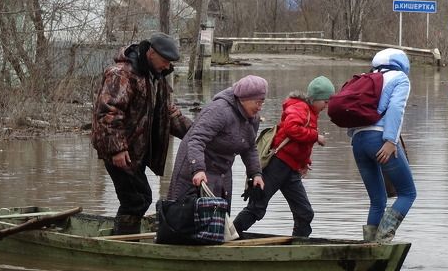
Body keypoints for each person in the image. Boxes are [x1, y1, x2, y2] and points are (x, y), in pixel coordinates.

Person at [91, 33, 193, 234]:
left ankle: (124, 237)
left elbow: (168, 114)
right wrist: (117, 149)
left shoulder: (156, 78)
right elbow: (108, 113)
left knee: (138, 198)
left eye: (170, 62)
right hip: (119, 150)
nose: (167, 65)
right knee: (137, 199)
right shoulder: (121, 74)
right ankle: (123, 242)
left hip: (136, 151)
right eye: (165, 60)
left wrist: (197, 133)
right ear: (151, 53)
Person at [232, 75, 336, 238]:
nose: (327, 106)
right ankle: (228, 237)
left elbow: (300, 145)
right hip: (278, 164)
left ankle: (299, 245)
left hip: (291, 168)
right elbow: (291, 128)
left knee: (305, 213)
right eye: (325, 101)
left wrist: (304, 162)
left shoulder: (310, 112)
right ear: (315, 99)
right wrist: (316, 136)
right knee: (257, 208)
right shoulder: (300, 107)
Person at [166, 75, 268, 209]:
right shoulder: (219, 111)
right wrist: (198, 169)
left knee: (219, 214)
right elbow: (196, 140)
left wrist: (255, 174)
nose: (260, 107)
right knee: (185, 214)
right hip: (196, 166)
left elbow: (249, 147)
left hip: (223, 171)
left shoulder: (253, 118)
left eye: (262, 102)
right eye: (258, 102)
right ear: (244, 99)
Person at [350, 48, 416, 243]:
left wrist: (356, 137)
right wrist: (390, 140)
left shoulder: (366, 78)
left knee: (377, 200)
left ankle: (369, 245)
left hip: (358, 141)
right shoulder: (400, 78)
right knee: (408, 193)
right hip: (380, 140)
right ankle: (382, 240)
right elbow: (396, 108)